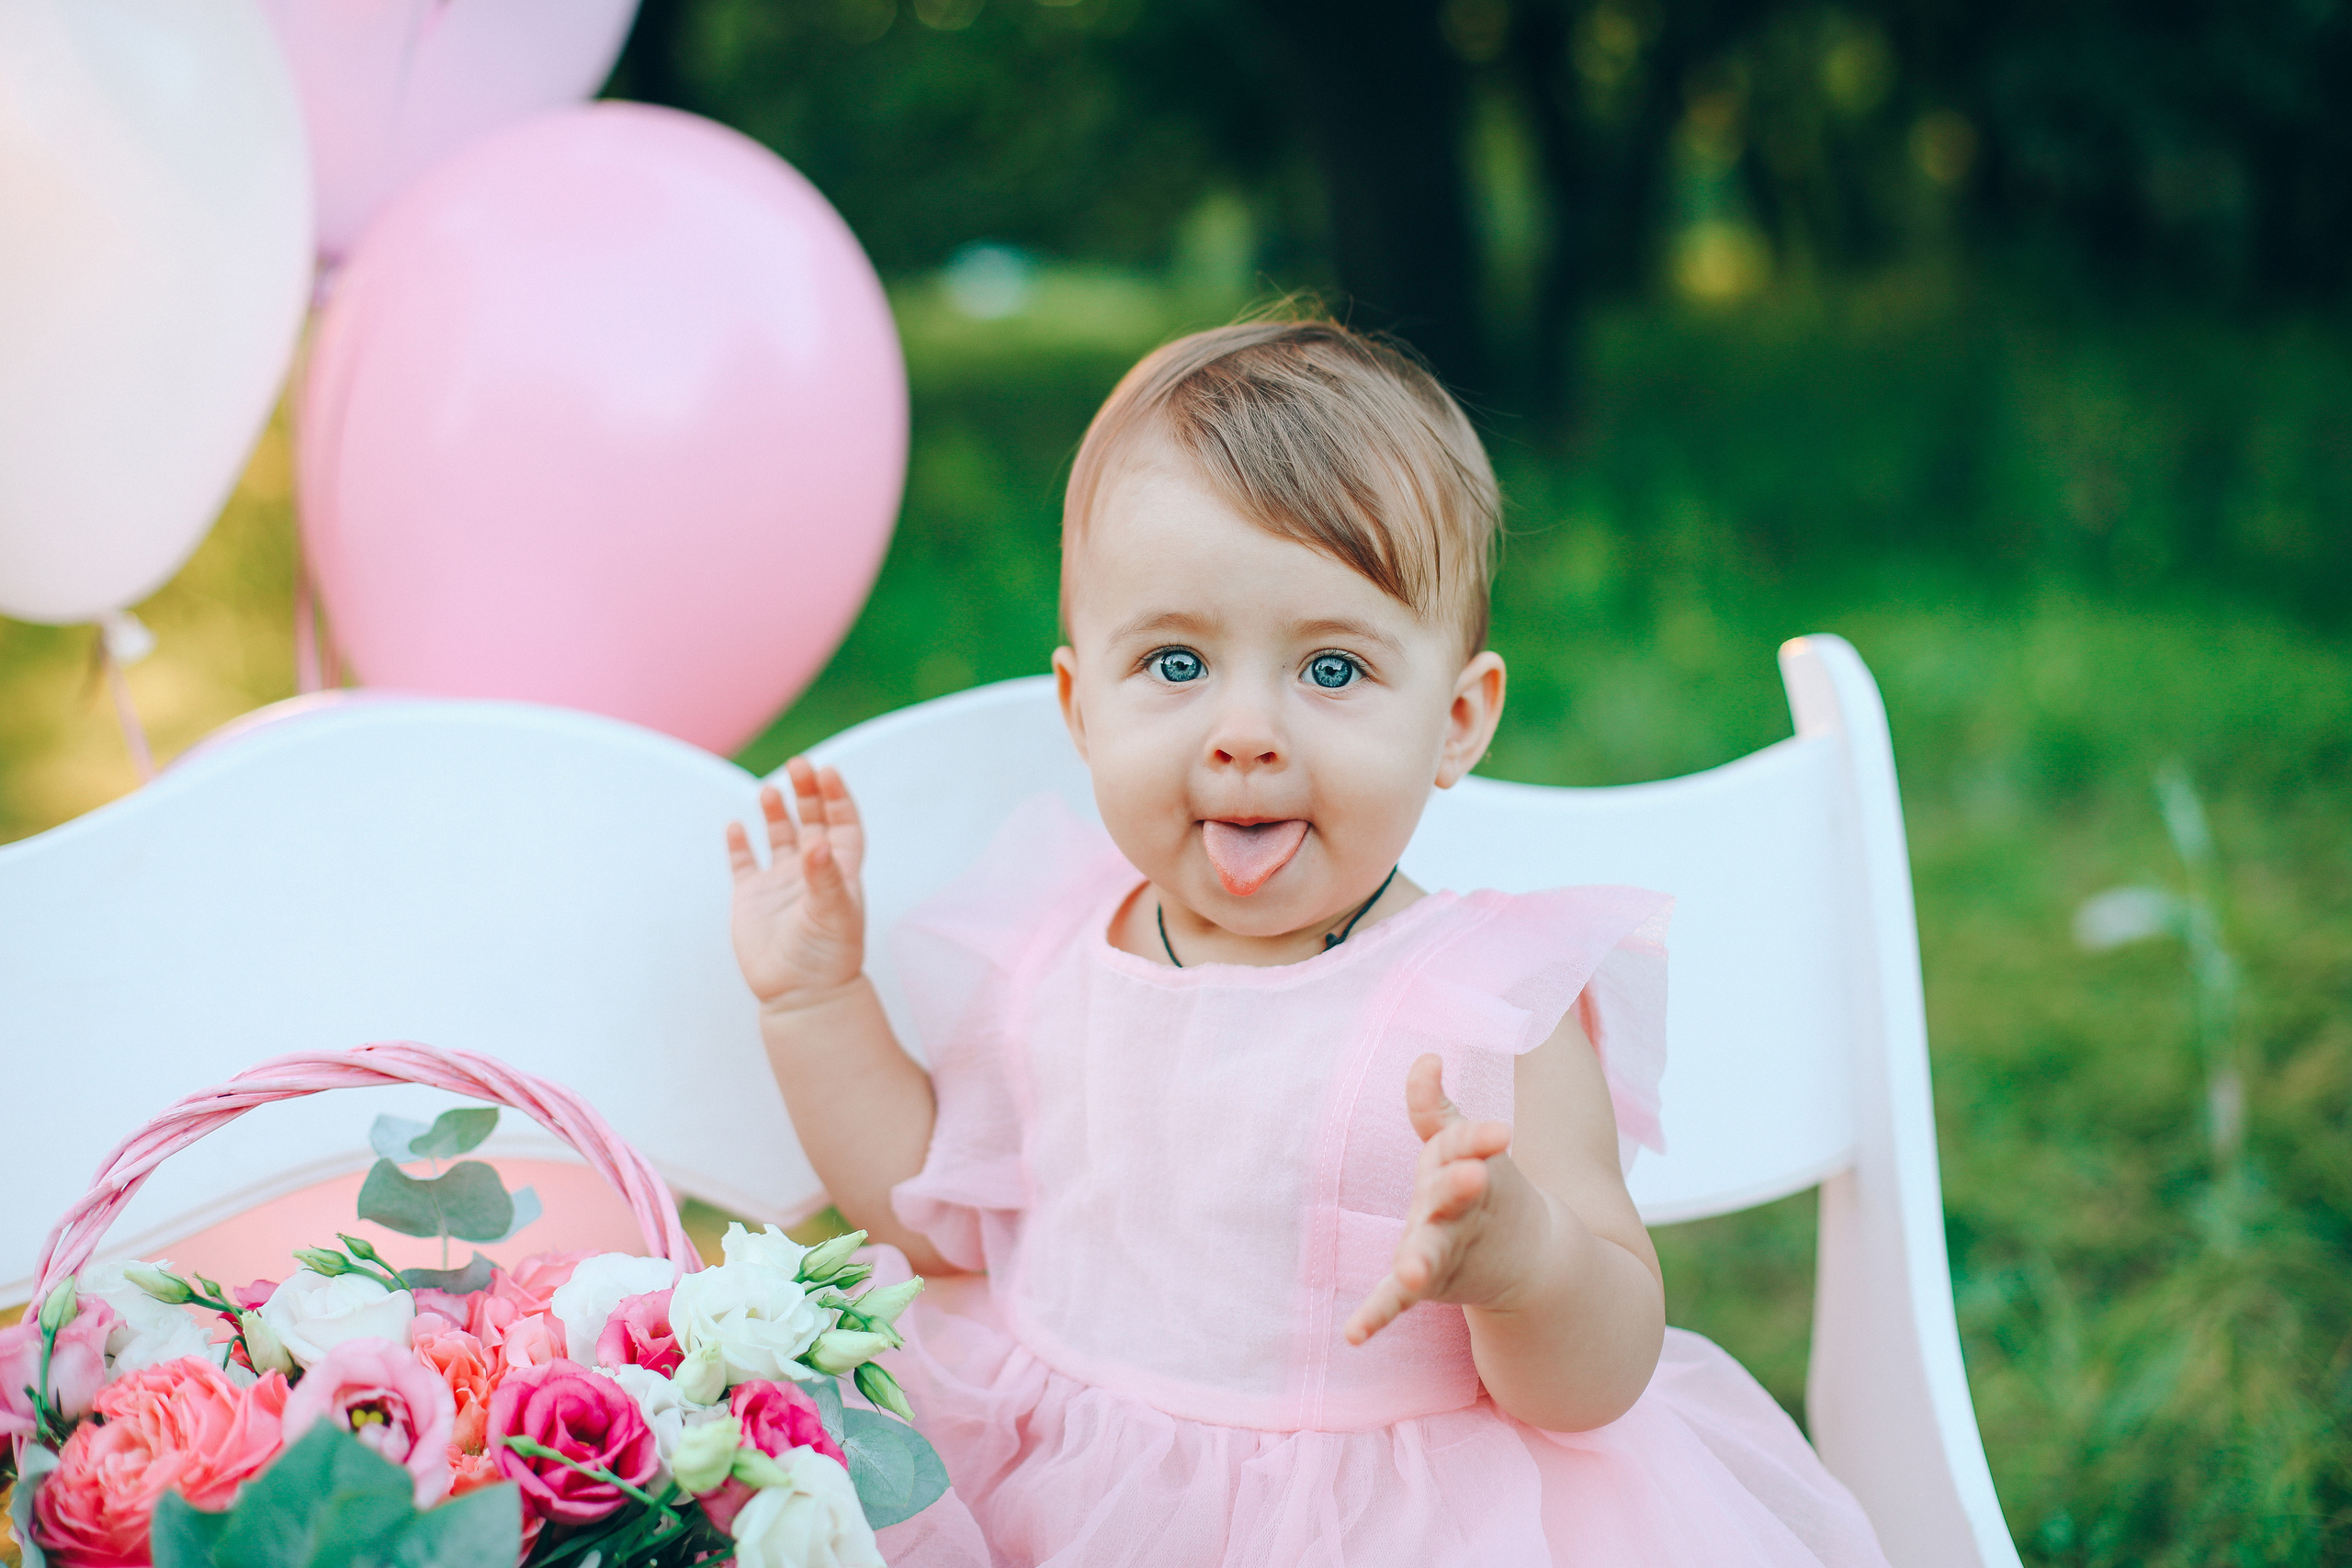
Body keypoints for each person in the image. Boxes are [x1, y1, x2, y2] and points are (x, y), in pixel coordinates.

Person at [726, 318, 1891, 1566]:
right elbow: (925, 1216)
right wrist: (815, 998)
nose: (1246, 732)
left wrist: (1526, 1262)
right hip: (1051, 1494)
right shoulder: (1049, 956)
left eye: (1331, 671)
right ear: (1081, 706)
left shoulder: (1486, 1018)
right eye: (1176, 661)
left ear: (1457, 721)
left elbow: (1593, 1384)